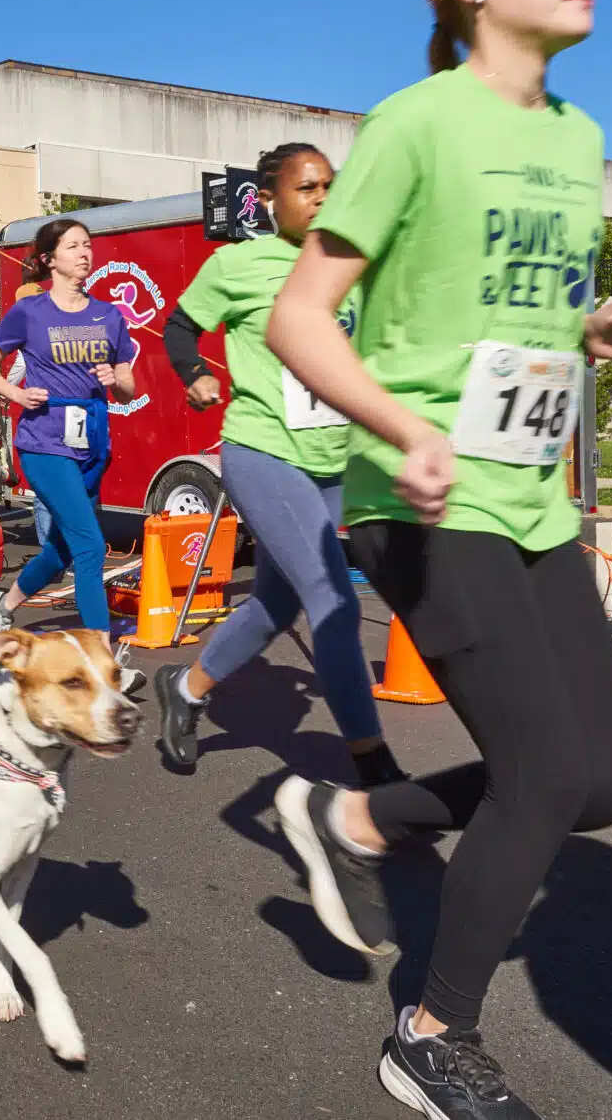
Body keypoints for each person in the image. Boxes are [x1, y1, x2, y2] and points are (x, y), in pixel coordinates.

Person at [267, 0, 612, 1117]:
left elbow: (506, 313)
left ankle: (360, 815)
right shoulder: (414, 123)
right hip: (421, 497)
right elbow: (298, 319)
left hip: (530, 495)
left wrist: (586, 331)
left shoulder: (577, 139)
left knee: (600, 785)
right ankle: (431, 1033)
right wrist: (402, 426)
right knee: (537, 777)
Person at [157, 142, 402, 786]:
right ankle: (373, 763)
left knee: (274, 605)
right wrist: (194, 374)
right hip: (262, 447)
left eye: (330, 187)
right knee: (332, 598)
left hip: (334, 459)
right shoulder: (237, 264)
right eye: (307, 188)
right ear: (269, 200)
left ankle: (184, 689)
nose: (322, 198)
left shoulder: (353, 264)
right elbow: (179, 327)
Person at [0, 218, 136, 640]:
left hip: (92, 441)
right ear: (49, 259)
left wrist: (115, 380)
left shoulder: (108, 315)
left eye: (88, 245)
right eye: (73, 246)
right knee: (90, 546)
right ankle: (100, 650)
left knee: (62, 548)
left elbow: (128, 385)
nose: (84, 253)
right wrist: (16, 393)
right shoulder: (29, 312)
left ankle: (3, 605)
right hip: (44, 441)